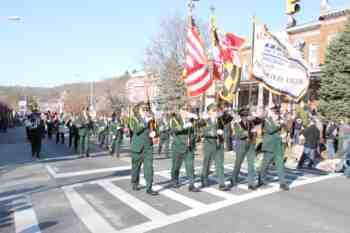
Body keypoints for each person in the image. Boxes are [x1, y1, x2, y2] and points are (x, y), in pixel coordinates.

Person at [200, 103, 233, 191]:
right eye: (213, 111)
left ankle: (221, 184)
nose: (215, 112)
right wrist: (215, 132)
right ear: (209, 112)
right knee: (207, 164)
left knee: (219, 164)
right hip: (209, 144)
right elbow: (203, 132)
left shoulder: (221, 120)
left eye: (216, 111)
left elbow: (230, 118)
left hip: (219, 145)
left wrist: (224, 111)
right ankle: (203, 180)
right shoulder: (205, 121)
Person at [129, 103, 158, 195]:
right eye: (144, 110)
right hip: (137, 148)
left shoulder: (151, 119)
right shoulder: (133, 119)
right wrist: (145, 122)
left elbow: (154, 130)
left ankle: (149, 187)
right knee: (135, 168)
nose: (146, 111)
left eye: (147, 109)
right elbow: (136, 130)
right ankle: (135, 182)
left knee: (149, 168)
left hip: (148, 147)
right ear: (139, 110)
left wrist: (155, 134)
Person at [169, 105, 200, 192]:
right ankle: (174, 180)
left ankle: (191, 184)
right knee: (176, 167)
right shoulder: (175, 119)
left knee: (190, 166)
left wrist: (197, 118)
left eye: (188, 110)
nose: (186, 111)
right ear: (180, 110)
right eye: (184, 109)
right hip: (178, 147)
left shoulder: (192, 119)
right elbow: (172, 130)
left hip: (189, 147)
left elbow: (201, 124)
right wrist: (183, 127)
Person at [258, 105, 289, 191]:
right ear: (271, 113)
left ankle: (282, 183)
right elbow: (270, 130)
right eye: (275, 113)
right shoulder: (266, 120)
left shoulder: (279, 121)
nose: (277, 115)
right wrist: (279, 125)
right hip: (269, 146)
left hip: (278, 146)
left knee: (280, 165)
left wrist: (284, 124)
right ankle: (260, 179)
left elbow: (287, 129)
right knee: (265, 165)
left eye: (278, 113)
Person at [230, 107, 262, 190]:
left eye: (247, 115)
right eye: (245, 116)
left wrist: (254, 117)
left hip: (250, 145)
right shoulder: (237, 124)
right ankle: (233, 179)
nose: (247, 117)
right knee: (238, 164)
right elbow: (238, 135)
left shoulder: (251, 123)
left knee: (251, 164)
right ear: (241, 116)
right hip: (241, 146)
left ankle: (251, 183)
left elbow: (260, 121)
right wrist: (248, 132)